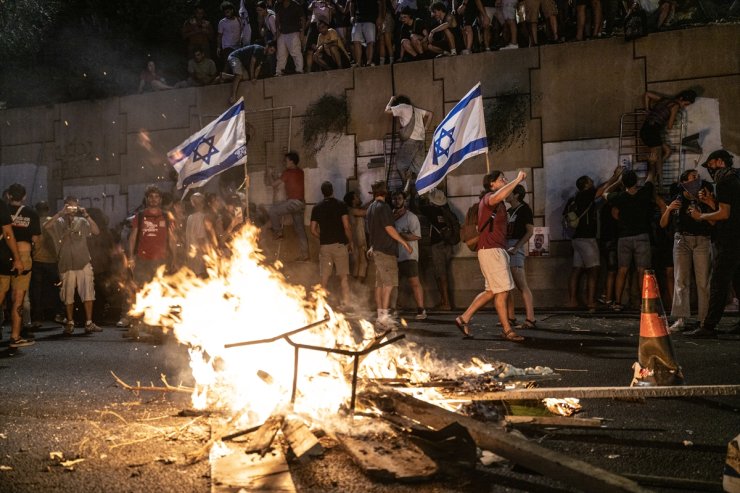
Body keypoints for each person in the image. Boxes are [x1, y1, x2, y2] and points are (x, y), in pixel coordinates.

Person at [455, 170, 527, 341]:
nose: (505, 180)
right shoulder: (489, 198)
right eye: (501, 179)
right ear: (491, 184)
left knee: (491, 291)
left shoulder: (499, 203)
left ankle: (463, 318)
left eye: (505, 178)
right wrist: (517, 180)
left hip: (493, 249)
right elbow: (496, 197)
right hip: (492, 250)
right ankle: (507, 330)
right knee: (503, 291)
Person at [685, 150, 740, 338]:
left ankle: (708, 326)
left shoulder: (724, 181)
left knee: (719, 281)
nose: (709, 169)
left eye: (710, 164)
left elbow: (724, 214)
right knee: (737, 280)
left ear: (719, 162)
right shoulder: (736, 177)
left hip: (730, 239)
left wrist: (700, 216)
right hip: (736, 237)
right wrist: (710, 202)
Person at [659, 170, 713, 332]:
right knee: (680, 280)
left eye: (698, 176)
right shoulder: (678, 198)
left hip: (702, 239)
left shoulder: (705, 195)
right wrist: (668, 209)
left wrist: (707, 204)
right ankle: (681, 319)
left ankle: (704, 320)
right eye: (693, 177)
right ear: (684, 182)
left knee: (703, 282)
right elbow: (663, 224)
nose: (697, 179)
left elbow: (714, 221)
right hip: (682, 240)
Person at [44, 197, 102, 335]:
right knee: (67, 294)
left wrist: (86, 215)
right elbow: (46, 226)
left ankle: (89, 322)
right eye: (69, 206)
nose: (72, 210)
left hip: (82, 262)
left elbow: (96, 231)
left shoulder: (82, 221)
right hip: (66, 263)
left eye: (75, 207)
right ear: (65, 206)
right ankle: (69, 322)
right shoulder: (59, 221)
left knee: (88, 292)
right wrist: (60, 213)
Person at [567, 167, 622, 311]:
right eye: (590, 181)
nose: (593, 182)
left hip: (576, 238)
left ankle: (572, 300)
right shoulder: (587, 194)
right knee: (594, 269)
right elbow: (602, 190)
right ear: (586, 185)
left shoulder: (574, 198)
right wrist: (615, 177)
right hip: (587, 238)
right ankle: (591, 301)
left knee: (576, 270)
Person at [124, 186, 176, 336]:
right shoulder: (139, 216)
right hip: (142, 260)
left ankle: (158, 327)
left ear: (160, 199)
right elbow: (133, 237)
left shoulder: (167, 216)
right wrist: (131, 257)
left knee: (160, 293)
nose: (154, 199)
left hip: (161, 261)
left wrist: (174, 258)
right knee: (139, 292)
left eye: (156, 197)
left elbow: (172, 239)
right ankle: (136, 326)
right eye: (151, 196)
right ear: (147, 199)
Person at [605, 168, 655, 312]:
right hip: (641, 236)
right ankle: (642, 304)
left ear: (623, 183)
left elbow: (605, 193)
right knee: (642, 271)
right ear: (637, 181)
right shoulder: (644, 194)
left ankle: (618, 302)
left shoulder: (619, 197)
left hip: (624, 237)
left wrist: (616, 181)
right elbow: (650, 178)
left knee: (622, 270)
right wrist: (652, 165)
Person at [366, 181, 412, 330]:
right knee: (389, 284)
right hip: (386, 251)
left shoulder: (371, 208)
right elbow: (388, 228)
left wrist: (372, 246)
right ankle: (384, 319)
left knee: (379, 284)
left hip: (377, 250)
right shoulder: (383, 207)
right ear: (385, 192)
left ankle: (381, 317)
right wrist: (404, 242)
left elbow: (373, 230)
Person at [2, 184, 40, 348]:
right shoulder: (31, 213)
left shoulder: (3, 209)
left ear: (8, 195)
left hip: (3, 255)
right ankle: (15, 337)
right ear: (24, 197)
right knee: (18, 299)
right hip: (23, 257)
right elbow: (36, 239)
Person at [384, 94, 432, 210]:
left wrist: (392, 99)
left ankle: (407, 181)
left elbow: (386, 111)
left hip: (411, 142)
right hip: (421, 142)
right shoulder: (416, 109)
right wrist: (425, 128)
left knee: (400, 164)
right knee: (419, 170)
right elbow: (430, 114)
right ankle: (419, 194)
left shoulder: (402, 107)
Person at [310, 181, 353, 308]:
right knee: (343, 278)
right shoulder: (341, 205)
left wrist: (322, 237)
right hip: (340, 246)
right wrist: (351, 242)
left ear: (322, 192)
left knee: (324, 278)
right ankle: (346, 304)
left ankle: (321, 305)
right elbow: (346, 226)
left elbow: (312, 230)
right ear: (332, 190)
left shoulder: (316, 207)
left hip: (325, 247)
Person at [640, 89, 696, 183]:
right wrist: (675, 120)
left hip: (646, 129)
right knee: (656, 161)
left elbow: (647, 94)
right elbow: (670, 126)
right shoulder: (676, 106)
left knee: (667, 151)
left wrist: (647, 109)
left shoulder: (664, 99)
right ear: (681, 98)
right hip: (652, 132)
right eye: (685, 104)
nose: (684, 107)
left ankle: (656, 180)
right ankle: (657, 184)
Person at [391, 191, 426, 320]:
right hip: (394, 255)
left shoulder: (411, 217)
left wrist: (401, 235)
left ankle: (421, 309)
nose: (396, 201)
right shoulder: (390, 216)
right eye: (394, 198)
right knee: (393, 284)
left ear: (404, 200)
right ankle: (394, 308)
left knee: (414, 283)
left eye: (399, 198)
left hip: (408, 256)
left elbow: (417, 236)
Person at [268, 152, 309, 261]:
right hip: (301, 203)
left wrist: (270, 174)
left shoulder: (288, 172)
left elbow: (274, 185)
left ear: (291, 161)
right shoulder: (300, 172)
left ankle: (278, 232)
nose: (284, 162)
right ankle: (305, 255)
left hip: (293, 203)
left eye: (286, 160)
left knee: (272, 211)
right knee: (300, 230)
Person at [505, 185, 535, 328]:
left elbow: (529, 231)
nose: (506, 194)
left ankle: (530, 318)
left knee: (521, 284)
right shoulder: (508, 210)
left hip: (515, 245)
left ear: (516, 195)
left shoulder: (524, 209)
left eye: (509, 192)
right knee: (507, 285)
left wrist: (517, 247)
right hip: (506, 245)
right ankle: (510, 317)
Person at [419, 188, 455, 310]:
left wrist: (421, 196)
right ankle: (445, 301)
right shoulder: (446, 211)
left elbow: (416, 205)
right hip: (448, 245)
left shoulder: (431, 210)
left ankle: (446, 303)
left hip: (437, 245)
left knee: (441, 275)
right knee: (444, 274)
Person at [30, 201, 63, 326]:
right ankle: (58, 313)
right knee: (55, 289)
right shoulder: (55, 221)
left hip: (37, 259)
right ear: (48, 209)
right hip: (52, 260)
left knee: (37, 291)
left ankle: (37, 318)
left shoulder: (33, 221)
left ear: (36, 210)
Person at [185, 192, 219, 277]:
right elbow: (201, 238)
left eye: (201, 201)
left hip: (193, 252)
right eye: (198, 202)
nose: (200, 204)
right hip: (199, 253)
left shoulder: (191, 217)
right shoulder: (199, 217)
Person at [349, 0, 384, 67]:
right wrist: (351, 16)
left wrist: (379, 17)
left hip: (370, 18)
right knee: (356, 41)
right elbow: (351, 3)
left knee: (370, 42)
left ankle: (369, 62)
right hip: (358, 19)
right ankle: (358, 63)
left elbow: (380, 4)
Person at [275, 0, 306, 76]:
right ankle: (279, 71)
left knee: (295, 52)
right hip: (282, 32)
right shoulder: (278, 4)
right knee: (281, 53)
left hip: (294, 32)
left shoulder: (295, 5)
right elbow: (277, 18)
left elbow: (303, 19)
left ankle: (299, 70)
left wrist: (302, 32)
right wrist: (278, 30)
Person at [343, 190, 368, 281]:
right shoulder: (352, 210)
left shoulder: (351, 210)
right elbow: (365, 212)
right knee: (362, 264)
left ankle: (355, 288)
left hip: (357, 242)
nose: (359, 198)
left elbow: (363, 208)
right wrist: (377, 201)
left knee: (358, 264)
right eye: (356, 197)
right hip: (357, 242)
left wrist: (374, 199)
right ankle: (358, 288)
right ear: (353, 201)